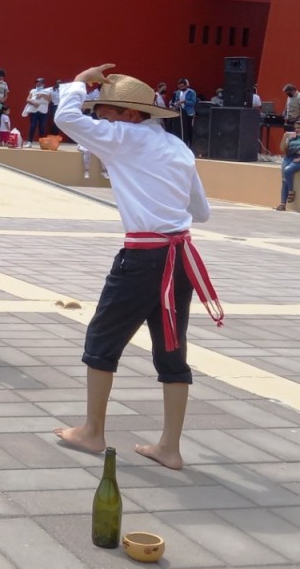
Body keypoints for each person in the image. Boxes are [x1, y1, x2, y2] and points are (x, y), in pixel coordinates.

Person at [53, 64, 222, 470]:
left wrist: (80, 81)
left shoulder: (124, 138)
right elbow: (201, 212)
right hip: (180, 257)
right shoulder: (177, 147)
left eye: (105, 112)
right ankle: (170, 447)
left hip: (144, 256)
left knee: (102, 340)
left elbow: (66, 118)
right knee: (171, 349)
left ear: (129, 114)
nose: (100, 121)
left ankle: (93, 431)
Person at [276, 121, 300, 211]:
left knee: (287, 170)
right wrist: (284, 137)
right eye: (295, 128)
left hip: (298, 159)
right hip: (289, 157)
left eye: (299, 128)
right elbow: (282, 149)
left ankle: (291, 192)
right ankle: (282, 204)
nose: (297, 130)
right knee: (284, 180)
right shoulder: (292, 138)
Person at [171, 77, 197, 146]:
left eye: (182, 86)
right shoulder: (178, 92)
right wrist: (176, 104)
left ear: (186, 85)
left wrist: (185, 101)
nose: (181, 88)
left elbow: (193, 103)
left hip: (188, 113)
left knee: (189, 129)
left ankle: (190, 144)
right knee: (181, 129)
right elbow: (176, 101)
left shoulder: (191, 92)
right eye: (180, 87)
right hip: (180, 114)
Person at [24, 77, 51, 146]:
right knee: (33, 126)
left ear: (43, 84)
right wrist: (33, 103)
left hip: (43, 110)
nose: (38, 83)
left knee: (42, 126)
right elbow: (27, 99)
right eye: (37, 82)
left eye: (40, 82)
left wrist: (42, 95)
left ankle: (42, 142)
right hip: (34, 110)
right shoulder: (33, 90)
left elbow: (50, 100)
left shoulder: (47, 91)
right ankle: (29, 142)